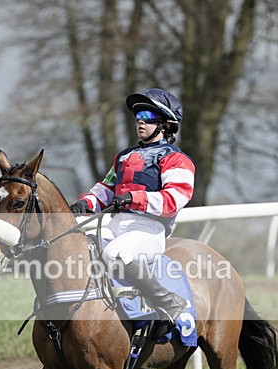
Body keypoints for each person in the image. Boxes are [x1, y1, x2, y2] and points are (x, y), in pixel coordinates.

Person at [69, 88, 195, 326]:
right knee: (80, 242)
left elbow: (173, 200)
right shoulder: (124, 156)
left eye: (147, 116)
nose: (140, 121)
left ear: (165, 124)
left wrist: (133, 198)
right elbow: (105, 189)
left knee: (116, 253)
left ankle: (168, 302)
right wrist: (85, 203)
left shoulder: (177, 159)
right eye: (138, 116)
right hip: (116, 224)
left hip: (149, 229)